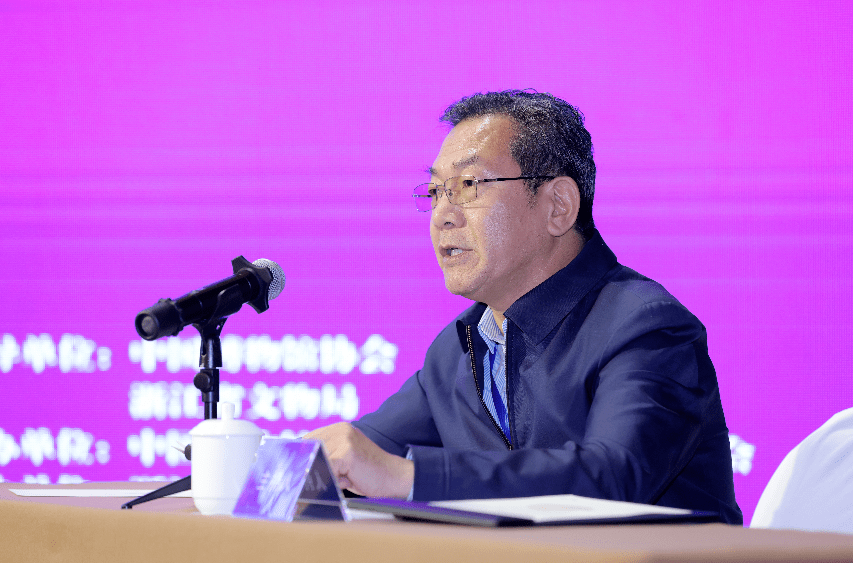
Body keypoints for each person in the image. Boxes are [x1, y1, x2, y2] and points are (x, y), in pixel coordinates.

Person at [305, 90, 743, 525]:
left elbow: (612, 477)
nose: (442, 215)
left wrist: (410, 477)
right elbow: (361, 455)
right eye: (436, 191)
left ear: (558, 206)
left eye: (468, 185)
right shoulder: (459, 349)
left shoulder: (646, 327)